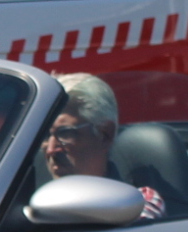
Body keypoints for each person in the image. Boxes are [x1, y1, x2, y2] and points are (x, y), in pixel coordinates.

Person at [40, 73, 165, 220]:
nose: (51, 150)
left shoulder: (136, 204)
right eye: (44, 136)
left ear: (105, 134)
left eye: (66, 134)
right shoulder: (21, 199)